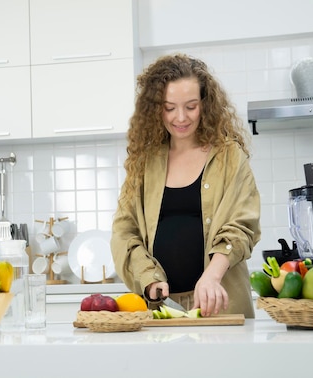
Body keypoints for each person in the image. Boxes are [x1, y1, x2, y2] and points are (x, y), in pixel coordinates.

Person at [111, 54, 261, 318]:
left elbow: (242, 225)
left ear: (205, 104)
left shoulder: (229, 156)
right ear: (156, 108)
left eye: (191, 106)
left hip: (221, 304)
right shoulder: (144, 161)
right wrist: (148, 278)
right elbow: (125, 231)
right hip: (161, 311)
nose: (180, 118)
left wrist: (212, 277)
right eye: (169, 108)